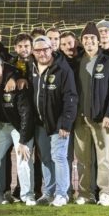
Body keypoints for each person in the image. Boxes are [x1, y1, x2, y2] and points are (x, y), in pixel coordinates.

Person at [73, 22, 109, 206]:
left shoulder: (108, 63)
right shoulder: (76, 62)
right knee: (83, 159)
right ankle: (85, 193)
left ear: (99, 41)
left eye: (92, 38)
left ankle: (106, 192)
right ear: (81, 41)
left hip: (101, 119)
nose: (89, 41)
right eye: (86, 38)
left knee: (104, 158)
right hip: (80, 118)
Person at [0, 53, 36, 206]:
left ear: (2, 67)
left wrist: (23, 141)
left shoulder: (15, 83)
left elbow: (26, 114)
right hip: (2, 126)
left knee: (23, 157)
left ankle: (28, 196)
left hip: (19, 127)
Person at [29, 35, 78, 206]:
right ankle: (49, 193)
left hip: (58, 123)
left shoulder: (63, 69)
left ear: (52, 49)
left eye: (45, 49)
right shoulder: (31, 67)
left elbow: (71, 98)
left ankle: (62, 194)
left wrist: (66, 123)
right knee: (45, 158)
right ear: (33, 52)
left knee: (59, 157)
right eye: (38, 50)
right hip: (40, 123)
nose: (42, 53)